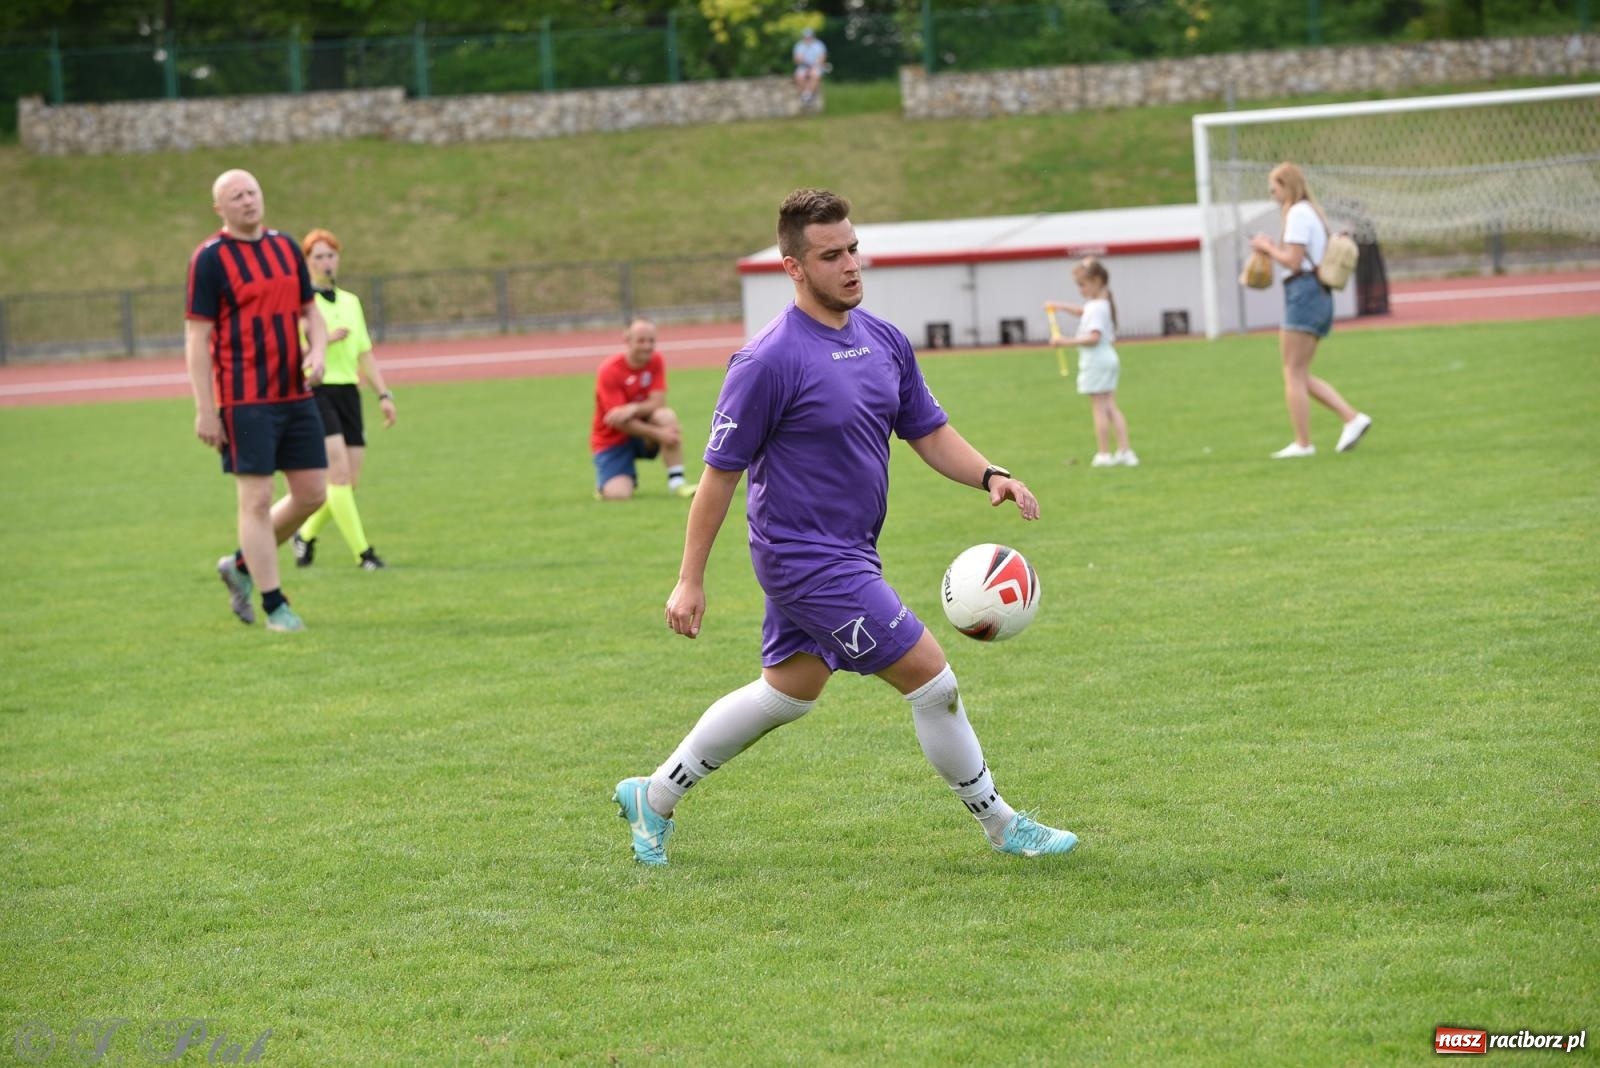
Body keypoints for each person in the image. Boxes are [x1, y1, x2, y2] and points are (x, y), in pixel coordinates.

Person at [611, 188, 1078, 866]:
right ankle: (1003, 824)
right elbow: (717, 476)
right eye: (831, 256)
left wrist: (990, 475)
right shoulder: (766, 361)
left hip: (852, 551)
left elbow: (928, 431)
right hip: (802, 558)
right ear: (794, 268)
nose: (851, 265)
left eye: (853, 248)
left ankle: (652, 797)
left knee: (787, 693)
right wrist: (690, 580)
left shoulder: (883, 340)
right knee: (932, 680)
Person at [185, 169, 328, 633]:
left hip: (295, 393)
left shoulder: (286, 246)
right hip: (245, 400)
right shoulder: (210, 260)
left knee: (312, 494)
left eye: (252, 192)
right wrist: (206, 408)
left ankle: (241, 566)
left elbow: (310, 310)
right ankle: (274, 606)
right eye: (236, 196)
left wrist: (319, 350)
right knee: (256, 500)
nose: (248, 201)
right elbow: (197, 337)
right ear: (219, 208)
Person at [1248, 162, 1373, 459]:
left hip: (1303, 292)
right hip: (1316, 293)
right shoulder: (1309, 212)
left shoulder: (1297, 213)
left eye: (1274, 188)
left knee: (1292, 371)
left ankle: (1303, 443)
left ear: (1286, 186)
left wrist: (1266, 248)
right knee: (1300, 372)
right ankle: (1351, 418)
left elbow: (1293, 260)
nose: (1272, 194)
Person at [290, 228, 395, 571]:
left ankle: (304, 535)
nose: (326, 262)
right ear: (307, 262)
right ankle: (364, 555)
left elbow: (365, 352)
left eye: (330, 255)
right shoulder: (302, 305)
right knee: (337, 476)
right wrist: (326, 340)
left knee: (348, 483)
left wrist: (383, 394)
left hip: (349, 391)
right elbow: (294, 354)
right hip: (317, 389)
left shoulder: (351, 302)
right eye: (318, 256)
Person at [591, 318, 697, 501]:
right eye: (641, 341)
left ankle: (677, 483)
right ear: (627, 340)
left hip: (643, 434)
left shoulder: (655, 361)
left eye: (651, 341)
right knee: (619, 495)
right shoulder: (608, 370)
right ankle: (609, 485)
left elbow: (658, 402)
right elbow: (617, 421)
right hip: (612, 439)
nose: (647, 346)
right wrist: (659, 434)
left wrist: (632, 408)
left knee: (666, 416)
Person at [1047, 256, 1138, 468]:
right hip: (1107, 358)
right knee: (1110, 407)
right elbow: (1082, 311)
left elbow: (1093, 337)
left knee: (1099, 408)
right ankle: (1125, 451)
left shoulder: (1097, 307)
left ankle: (1104, 454)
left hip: (1097, 360)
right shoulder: (1100, 304)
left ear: (1096, 281)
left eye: (1082, 284)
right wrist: (1059, 306)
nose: (1080, 289)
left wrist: (1064, 342)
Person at [792, 27, 827, 107]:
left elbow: (822, 58)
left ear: (813, 36)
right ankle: (806, 95)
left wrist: (813, 66)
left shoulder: (819, 45)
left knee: (815, 75)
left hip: (815, 66)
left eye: (809, 37)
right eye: (806, 37)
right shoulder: (799, 45)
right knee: (799, 76)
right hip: (803, 66)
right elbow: (797, 59)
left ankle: (808, 95)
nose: (808, 39)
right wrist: (804, 63)